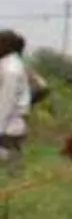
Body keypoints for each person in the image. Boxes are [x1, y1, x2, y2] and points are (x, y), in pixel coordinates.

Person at [0, 30, 31, 175]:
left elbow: (5, 103)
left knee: (9, 174)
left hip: (7, 128)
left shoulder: (10, 70)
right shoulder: (12, 65)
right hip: (12, 126)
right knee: (13, 172)